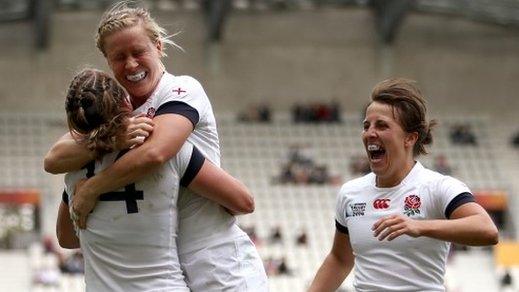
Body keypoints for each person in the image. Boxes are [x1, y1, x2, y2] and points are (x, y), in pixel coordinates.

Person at [45, 2, 268, 290]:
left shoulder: (183, 89)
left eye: (139, 52)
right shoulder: (117, 116)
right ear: (108, 62)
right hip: (168, 265)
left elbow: (156, 152)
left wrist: (93, 187)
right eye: (119, 57)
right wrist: (113, 138)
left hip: (217, 261)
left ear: (159, 47)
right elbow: (53, 159)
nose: (131, 64)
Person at [55, 68, 256, 291]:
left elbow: (66, 238)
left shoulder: (73, 170)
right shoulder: (169, 152)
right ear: (125, 101)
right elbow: (243, 201)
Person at [308, 78, 499, 292]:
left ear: (409, 138)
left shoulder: (438, 187)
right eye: (366, 125)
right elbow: (340, 259)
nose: (370, 133)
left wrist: (419, 226)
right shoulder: (350, 193)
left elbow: (487, 230)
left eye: (382, 125)